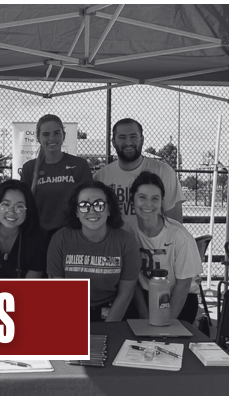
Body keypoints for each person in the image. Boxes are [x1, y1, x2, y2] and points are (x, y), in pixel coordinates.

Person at [47, 181, 141, 322]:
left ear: (109, 209)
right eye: (84, 206)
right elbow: (59, 291)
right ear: (76, 212)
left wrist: (108, 328)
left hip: (112, 312)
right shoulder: (60, 239)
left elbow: (125, 294)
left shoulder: (126, 241)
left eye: (99, 205)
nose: (92, 211)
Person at [126, 171, 202, 323]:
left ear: (162, 202)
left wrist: (166, 321)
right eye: (142, 197)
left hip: (178, 297)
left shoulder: (179, 236)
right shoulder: (128, 231)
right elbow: (131, 279)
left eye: (155, 198)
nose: (149, 204)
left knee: (166, 339)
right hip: (144, 296)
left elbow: (184, 284)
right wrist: (143, 312)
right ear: (132, 200)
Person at [94, 118, 185, 226]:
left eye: (133, 137)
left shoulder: (164, 172)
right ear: (113, 142)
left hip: (152, 243)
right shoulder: (100, 177)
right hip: (114, 242)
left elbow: (175, 223)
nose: (128, 142)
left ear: (142, 139)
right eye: (122, 137)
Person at [20, 114, 93, 239]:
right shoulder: (29, 168)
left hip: (72, 234)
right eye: (46, 134)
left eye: (57, 133)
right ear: (38, 138)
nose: (52, 138)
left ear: (63, 135)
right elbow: (23, 205)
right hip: (38, 236)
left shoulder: (79, 165)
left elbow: (88, 202)